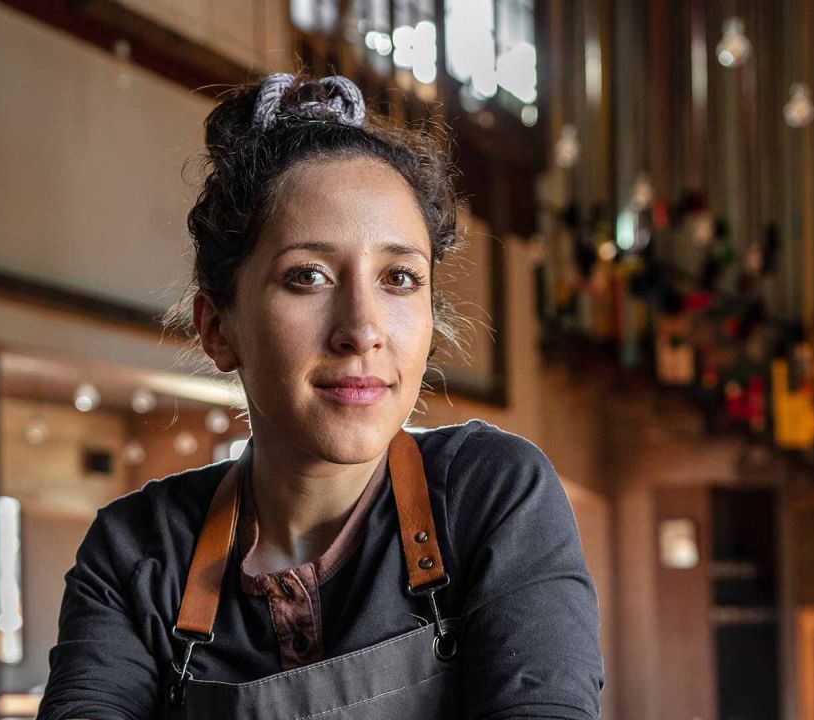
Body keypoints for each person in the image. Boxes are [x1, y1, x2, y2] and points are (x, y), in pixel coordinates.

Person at [36, 72, 605, 720]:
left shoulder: (490, 497)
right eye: (307, 275)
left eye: (399, 277)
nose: (361, 330)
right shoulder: (138, 551)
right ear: (219, 330)